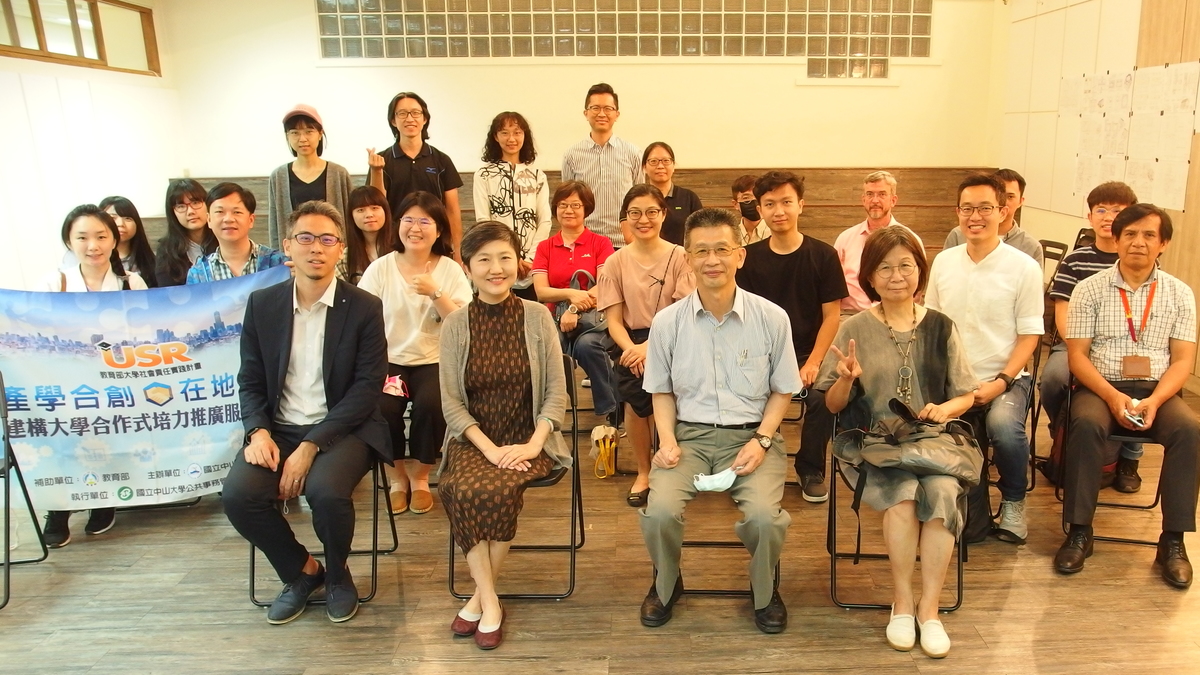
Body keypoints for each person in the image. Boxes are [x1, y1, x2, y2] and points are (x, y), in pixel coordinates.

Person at [222, 200, 389, 625]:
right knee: (239, 496)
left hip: (343, 429)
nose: (317, 248)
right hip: (278, 428)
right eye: (306, 238)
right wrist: (257, 432)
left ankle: (338, 574)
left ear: (340, 250)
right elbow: (251, 379)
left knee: (327, 493)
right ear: (287, 246)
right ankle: (300, 571)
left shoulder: (365, 307)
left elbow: (367, 390)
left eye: (327, 239)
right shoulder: (263, 304)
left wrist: (312, 445)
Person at [819, 226, 978, 659]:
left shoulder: (942, 326)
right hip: (875, 446)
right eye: (884, 268)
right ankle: (902, 602)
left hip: (932, 442)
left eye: (905, 266)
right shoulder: (855, 327)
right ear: (869, 277)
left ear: (919, 272)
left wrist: (947, 409)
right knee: (905, 499)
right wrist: (847, 380)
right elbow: (833, 406)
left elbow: (967, 393)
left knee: (944, 492)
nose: (895, 276)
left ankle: (931, 609)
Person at [638, 207, 799, 633]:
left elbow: (784, 389)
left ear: (740, 255)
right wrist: (667, 441)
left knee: (765, 516)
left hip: (752, 437)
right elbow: (661, 391)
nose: (713, 260)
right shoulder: (667, 323)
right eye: (701, 251)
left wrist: (762, 440)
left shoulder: (771, 317)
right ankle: (667, 583)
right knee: (659, 513)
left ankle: (764, 590)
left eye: (722, 249)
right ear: (687, 259)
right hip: (688, 437)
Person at [437, 221, 572, 651]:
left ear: (519, 264)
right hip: (477, 440)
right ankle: (490, 600)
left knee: (496, 491)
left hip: (529, 437)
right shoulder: (456, 324)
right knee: (458, 486)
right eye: (484, 260)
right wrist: (491, 450)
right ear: (467, 267)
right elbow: (451, 405)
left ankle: (480, 599)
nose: (496, 269)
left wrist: (534, 443)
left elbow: (556, 391)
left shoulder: (537, 317)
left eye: (505, 258)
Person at [1056, 203, 1198, 589]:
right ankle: (1080, 531)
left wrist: (1154, 401)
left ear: (1163, 242)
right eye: (1130, 234)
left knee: (1190, 430)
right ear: (1116, 240)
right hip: (1101, 387)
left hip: (1159, 390)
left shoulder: (1180, 293)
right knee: (1085, 423)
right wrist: (1111, 394)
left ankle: (1173, 540)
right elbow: (1076, 356)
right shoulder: (1089, 289)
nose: (1139, 242)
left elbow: (1183, 360)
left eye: (1149, 235)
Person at [925, 173, 1043, 544]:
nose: (975, 216)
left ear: (1003, 211)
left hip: (1004, 376)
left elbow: (1030, 336)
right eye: (967, 208)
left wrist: (1001, 382)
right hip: (953, 379)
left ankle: (1013, 502)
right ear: (957, 212)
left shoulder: (1023, 266)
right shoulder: (944, 261)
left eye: (985, 208)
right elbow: (931, 324)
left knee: (1006, 429)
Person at [40, 205, 149, 548]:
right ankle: (59, 509)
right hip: (69, 383)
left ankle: (105, 498)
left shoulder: (131, 283)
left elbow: (147, 335)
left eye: (101, 236)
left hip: (119, 381)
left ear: (114, 240)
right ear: (69, 242)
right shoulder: (55, 283)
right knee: (64, 439)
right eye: (82, 237)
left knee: (108, 437)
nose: (93, 245)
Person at [358, 191, 472, 515]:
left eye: (425, 221)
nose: (416, 227)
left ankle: (420, 476)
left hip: (435, 358)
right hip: (388, 359)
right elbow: (361, 319)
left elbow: (462, 324)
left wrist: (435, 292)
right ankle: (396, 478)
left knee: (432, 405)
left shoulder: (449, 270)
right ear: (397, 226)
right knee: (383, 407)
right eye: (409, 219)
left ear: (438, 230)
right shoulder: (380, 269)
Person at [736, 171, 847, 503]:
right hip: (763, 352)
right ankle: (759, 463)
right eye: (769, 204)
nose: (778, 211)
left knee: (821, 399)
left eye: (786, 202)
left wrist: (813, 363)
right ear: (760, 208)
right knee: (747, 391)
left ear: (801, 204)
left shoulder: (823, 255)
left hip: (809, 353)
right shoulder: (750, 258)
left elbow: (832, 317)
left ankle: (811, 468)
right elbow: (746, 318)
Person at [597, 184, 695, 507]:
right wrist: (632, 349)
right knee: (635, 403)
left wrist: (651, 347)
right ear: (625, 219)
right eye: (635, 213)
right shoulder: (614, 262)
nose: (644, 219)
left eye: (651, 212)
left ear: (663, 214)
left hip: (674, 338)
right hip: (630, 342)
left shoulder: (681, 256)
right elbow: (613, 320)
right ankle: (643, 471)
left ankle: (671, 468)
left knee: (671, 397)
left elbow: (684, 313)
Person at [1041, 182, 1143, 491]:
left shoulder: (1139, 260)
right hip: (1076, 346)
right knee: (1054, 378)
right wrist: (1084, 353)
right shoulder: (1075, 261)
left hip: (1127, 348)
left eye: (1117, 210)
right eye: (1101, 209)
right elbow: (1063, 316)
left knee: (1140, 379)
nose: (1108, 216)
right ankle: (1062, 425)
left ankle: (1130, 456)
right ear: (1089, 216)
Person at [531, 181, 619, 427]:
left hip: (595, 321)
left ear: (586, 209)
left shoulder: (600, 243)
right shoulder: (545, 246)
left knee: (588, 346)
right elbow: (541, 291)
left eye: (575, 205)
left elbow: (605, 285)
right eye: (563, 205)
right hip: (554, 320)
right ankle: (552, 411)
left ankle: (611, 410)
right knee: (551, 347)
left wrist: (572, 309)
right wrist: (571, 295)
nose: (568, 210)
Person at [368, 92, 464, 259]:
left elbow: (452, 210)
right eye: (402, 113)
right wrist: (376, 170)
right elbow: (377, 204)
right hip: (394, 245)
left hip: (436, 244)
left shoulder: (441, 160)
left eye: (415, 113)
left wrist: (458, 250)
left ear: (424, 119)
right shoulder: (382, 161)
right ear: (393, 120)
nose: (409, 118)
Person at [472, 111, 551, 301]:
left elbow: (545, 220)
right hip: (496, 266)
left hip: (531, 270)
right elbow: (484, 221)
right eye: (504, 133)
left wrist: (530, 259)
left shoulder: (537, 175)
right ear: (495, 137)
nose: (511, 139)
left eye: (517, 132)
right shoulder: (483, 175)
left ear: (525, 135)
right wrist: (508, 259)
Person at [561, 83, 643, 249]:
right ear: (586, 113)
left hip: (624, 242)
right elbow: (567, 202)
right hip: (585, 242)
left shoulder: (632, 153)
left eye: (608, 108)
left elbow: (639, 199)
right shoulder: (572, 155)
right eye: (595, 108)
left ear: (617, 114)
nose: (602, 114)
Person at [833, 171, 923, 316]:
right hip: (851, 315)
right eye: (869, 194)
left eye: (882, 194)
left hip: (896, 315)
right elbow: (832, 286)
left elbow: (918, 287)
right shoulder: (845, 239)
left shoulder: (910, 240)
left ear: (893, 200)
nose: (875, 200)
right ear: (863, 199)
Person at [266, 104, 354, 251]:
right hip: (295, 257)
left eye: (309, 131)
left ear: (320, 134)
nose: (302, 139)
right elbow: (275, 226)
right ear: (287, 136)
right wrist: (280, 259)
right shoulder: (278, 176)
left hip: (332, 254)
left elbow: (351, 221)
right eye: (294, 133)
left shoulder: (339, 174)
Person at [186, 183, 288, 284]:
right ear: (209, 220)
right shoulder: (198, 275)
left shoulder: (279, 263)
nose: (228, 219)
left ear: (251, 220)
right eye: (220, 212)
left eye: (237, 212)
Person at [942, 168, 1043, 266]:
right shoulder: (958, 235)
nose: (1004, 202)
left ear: (1021, 201)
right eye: (1001, 196)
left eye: (1010, 197)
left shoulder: (1031, 246)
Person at [155, 178, 216, 287]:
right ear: (173, 213)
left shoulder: (223, 240)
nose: (191, 211)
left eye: (196, 202)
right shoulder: (166, 251)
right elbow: (167, 293)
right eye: (181, 206)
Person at [641, 142, 703, 246]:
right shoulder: (638, 198)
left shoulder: (689, 198)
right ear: (644, 167)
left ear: (673, 166)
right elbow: (630, 235)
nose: (660, 166)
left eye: (666, 161)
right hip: (647, 259)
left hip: (683, 258)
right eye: (653, 161)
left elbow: (701, 232)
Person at [338, 185, 396, 285]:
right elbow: (342, 294)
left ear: (386, 211)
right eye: (360, 210)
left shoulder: (402, 249)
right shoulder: (345, 257)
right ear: (351, 216)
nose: (369, 214)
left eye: (374, 208)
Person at [98, 196, 158, 287]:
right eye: (113, 218)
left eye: (128, 218)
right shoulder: (94, 259)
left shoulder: (152, 262)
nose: (121, 224)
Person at [731, 174, 769, 245]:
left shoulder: (774, 233)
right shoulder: (731, 235)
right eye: (746, 198)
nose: (754, 201)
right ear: (735, 204)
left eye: (757, 197)